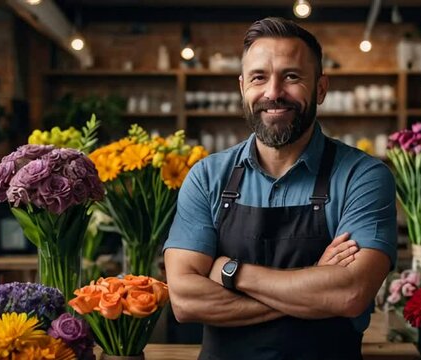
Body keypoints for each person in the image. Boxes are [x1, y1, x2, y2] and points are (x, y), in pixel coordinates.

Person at [163, 17, 397, 360]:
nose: (273, 92)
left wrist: (231, 271)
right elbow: (184, 300)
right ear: (243, 87)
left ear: (320, 88)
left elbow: (349, 294)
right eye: (259, 77)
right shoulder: (207, 177)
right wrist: (316, 283)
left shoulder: (363, 176)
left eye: (291, 76)